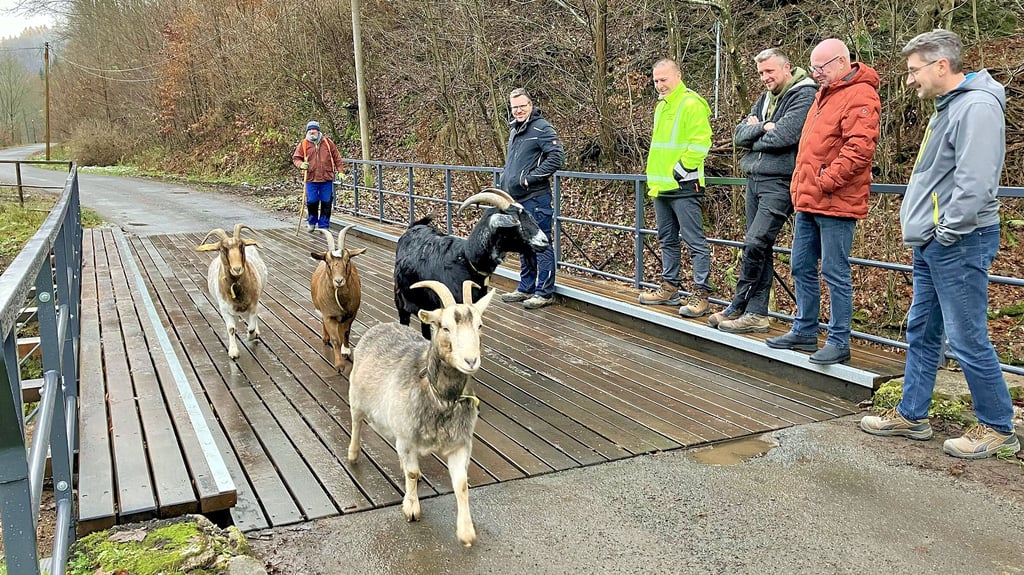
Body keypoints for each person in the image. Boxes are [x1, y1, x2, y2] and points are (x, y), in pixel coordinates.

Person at [861, 30, 1019, 459]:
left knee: (967, 337)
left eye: (914, 70)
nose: (909, 80)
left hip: (959, 241)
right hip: (936, 242)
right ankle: (912, 414)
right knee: (922, 330)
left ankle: (998, 426)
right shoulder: (949, 107)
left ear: (941, 66)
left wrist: (946, 231)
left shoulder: (977, 108)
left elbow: (975, 182)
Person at [764, 39, 880, 365]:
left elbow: (859, 149)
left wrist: (826, 181)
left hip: (835, 200)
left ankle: (839, 340)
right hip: (809, 199)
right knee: (800, 264)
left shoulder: (861, 95)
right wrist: (805, 186)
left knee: (835, 271)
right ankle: (804, 329)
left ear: (841, 62)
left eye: (821, 67)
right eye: (814, 67)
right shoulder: (824, 93)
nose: (815, 74)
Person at [711, 49, 816, 334]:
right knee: (760, 247)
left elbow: (786, 135)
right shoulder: (766, 99)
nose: (765, 78)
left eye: (770, 71)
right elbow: (738, 135)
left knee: (755, 243)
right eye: (760, 73)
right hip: (755, 179)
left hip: (780, 181)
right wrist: (762, 130)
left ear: (787, 68)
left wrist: (758, 131)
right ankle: (756, 313)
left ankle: (739, 303)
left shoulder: (804, 95)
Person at [639, 58, 714, 318]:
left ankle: (701, 294)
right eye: (656, 80)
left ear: (678, 76)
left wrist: (681, 169)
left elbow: (701, 142)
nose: (659, 85)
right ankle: (670, 287)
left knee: (695, 241)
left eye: (664, 79)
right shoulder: (663, 105)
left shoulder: (691, 103)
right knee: (667, 239)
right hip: (661, 186)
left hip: (684, 184)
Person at [498, 88, 565, 310]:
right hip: (516, 199)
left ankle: (544, 292)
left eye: (522, 106)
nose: (518, 110)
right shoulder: (515, 129)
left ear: (531, 104)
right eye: (514, 107)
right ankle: (525, 287)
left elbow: (556, 157)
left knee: (541, 243)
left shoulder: (542, 128)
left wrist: (530, 179)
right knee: (524, 244)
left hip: (536, 198)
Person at [292, 121, 343, 232]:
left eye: (313, 129)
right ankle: (312, 222)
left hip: (326, 178)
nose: (311, 132)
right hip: (311, 178)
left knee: (326, 202)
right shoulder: (303, 144)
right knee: (312, 202)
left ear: (318, 130)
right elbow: (296, 158)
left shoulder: (328, 143)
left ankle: (324, 226)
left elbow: (337, 157)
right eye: (309, 130)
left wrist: (340, 171)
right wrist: (301, 165)